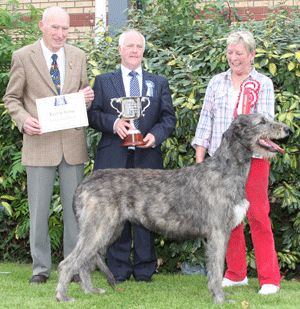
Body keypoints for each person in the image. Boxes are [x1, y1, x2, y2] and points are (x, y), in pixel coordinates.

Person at [3, 6, 94, 284]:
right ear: (41, 26)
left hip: (72, 145)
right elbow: (11, 98)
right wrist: (23, 120)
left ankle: (74, 266)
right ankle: (40, 269)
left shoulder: (78, 55)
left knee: (74, 212)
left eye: (65, 28)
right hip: (39, 144)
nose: (60, 33)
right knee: (39, 213)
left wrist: (86, 96)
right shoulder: (22, 56)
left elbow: (82, 94)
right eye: (55, 27)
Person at [192, 30, 281, 295]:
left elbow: (264, 125)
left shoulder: (263, 83)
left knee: (258, 216)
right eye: (230, 53)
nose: (234, 58)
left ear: (252, 55)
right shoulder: (216, 82)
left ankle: (269, 279)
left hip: (252, 162)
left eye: (239, 53)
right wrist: (200, 156)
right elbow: (205, 119)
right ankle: (236, 273)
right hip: (218, 164)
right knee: (225, 219)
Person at [88, 29, 176, 283]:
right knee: (115, 214)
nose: (134, 50)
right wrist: (113, 122)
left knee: (147, 214)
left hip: (146, 157)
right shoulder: (104, 81)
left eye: (139, 46)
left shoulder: (158, 82)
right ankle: (118, 268)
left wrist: (156, 136)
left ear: (143, 50)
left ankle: (145, 268)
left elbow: (168, 118)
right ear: (120, 50)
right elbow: (92, 116)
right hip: (114, 157)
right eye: (129, 46)